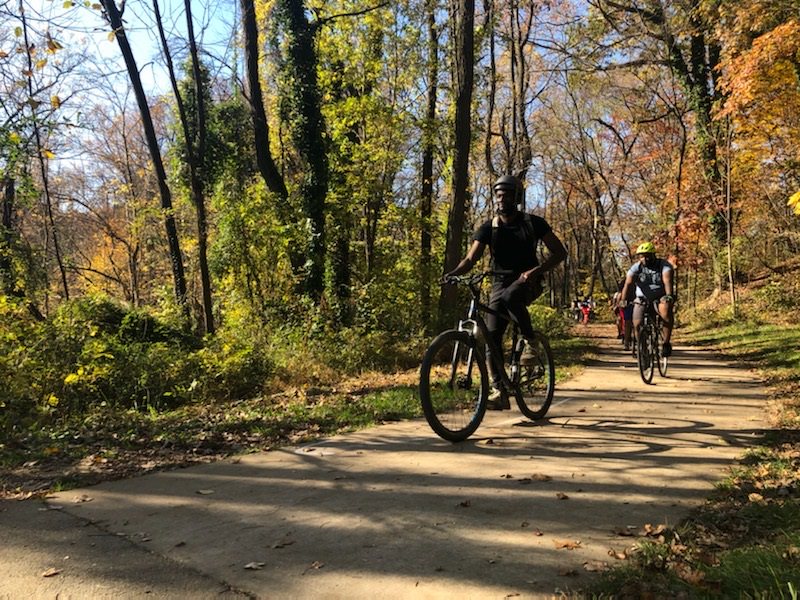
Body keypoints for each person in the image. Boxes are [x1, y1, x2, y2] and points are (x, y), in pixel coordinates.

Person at [443, 174, 567, 409]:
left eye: (507, 194)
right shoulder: (489, 227)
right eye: (498, 194)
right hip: (498, 283)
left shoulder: (534, 223)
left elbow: (560, 253)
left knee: (512, 297)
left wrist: (536, 271)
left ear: (517, 197)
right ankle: (500, 391)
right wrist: (453, 273)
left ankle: (531, 341)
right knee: (492, 337)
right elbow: (471, 258)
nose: (501, 198)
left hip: (528, 279)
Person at [619, 241, 675, 357]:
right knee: (637, 323)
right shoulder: (636, 268)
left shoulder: (664, 266)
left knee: (666, 311)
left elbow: (667, 281)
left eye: (647, 255)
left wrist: (669, 296)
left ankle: (666, 343)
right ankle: (641, 346)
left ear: (653, 255)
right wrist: (623, 300)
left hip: (661, 296)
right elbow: (627, 285)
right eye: (642, 256)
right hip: (642, 297)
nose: (644, 258)